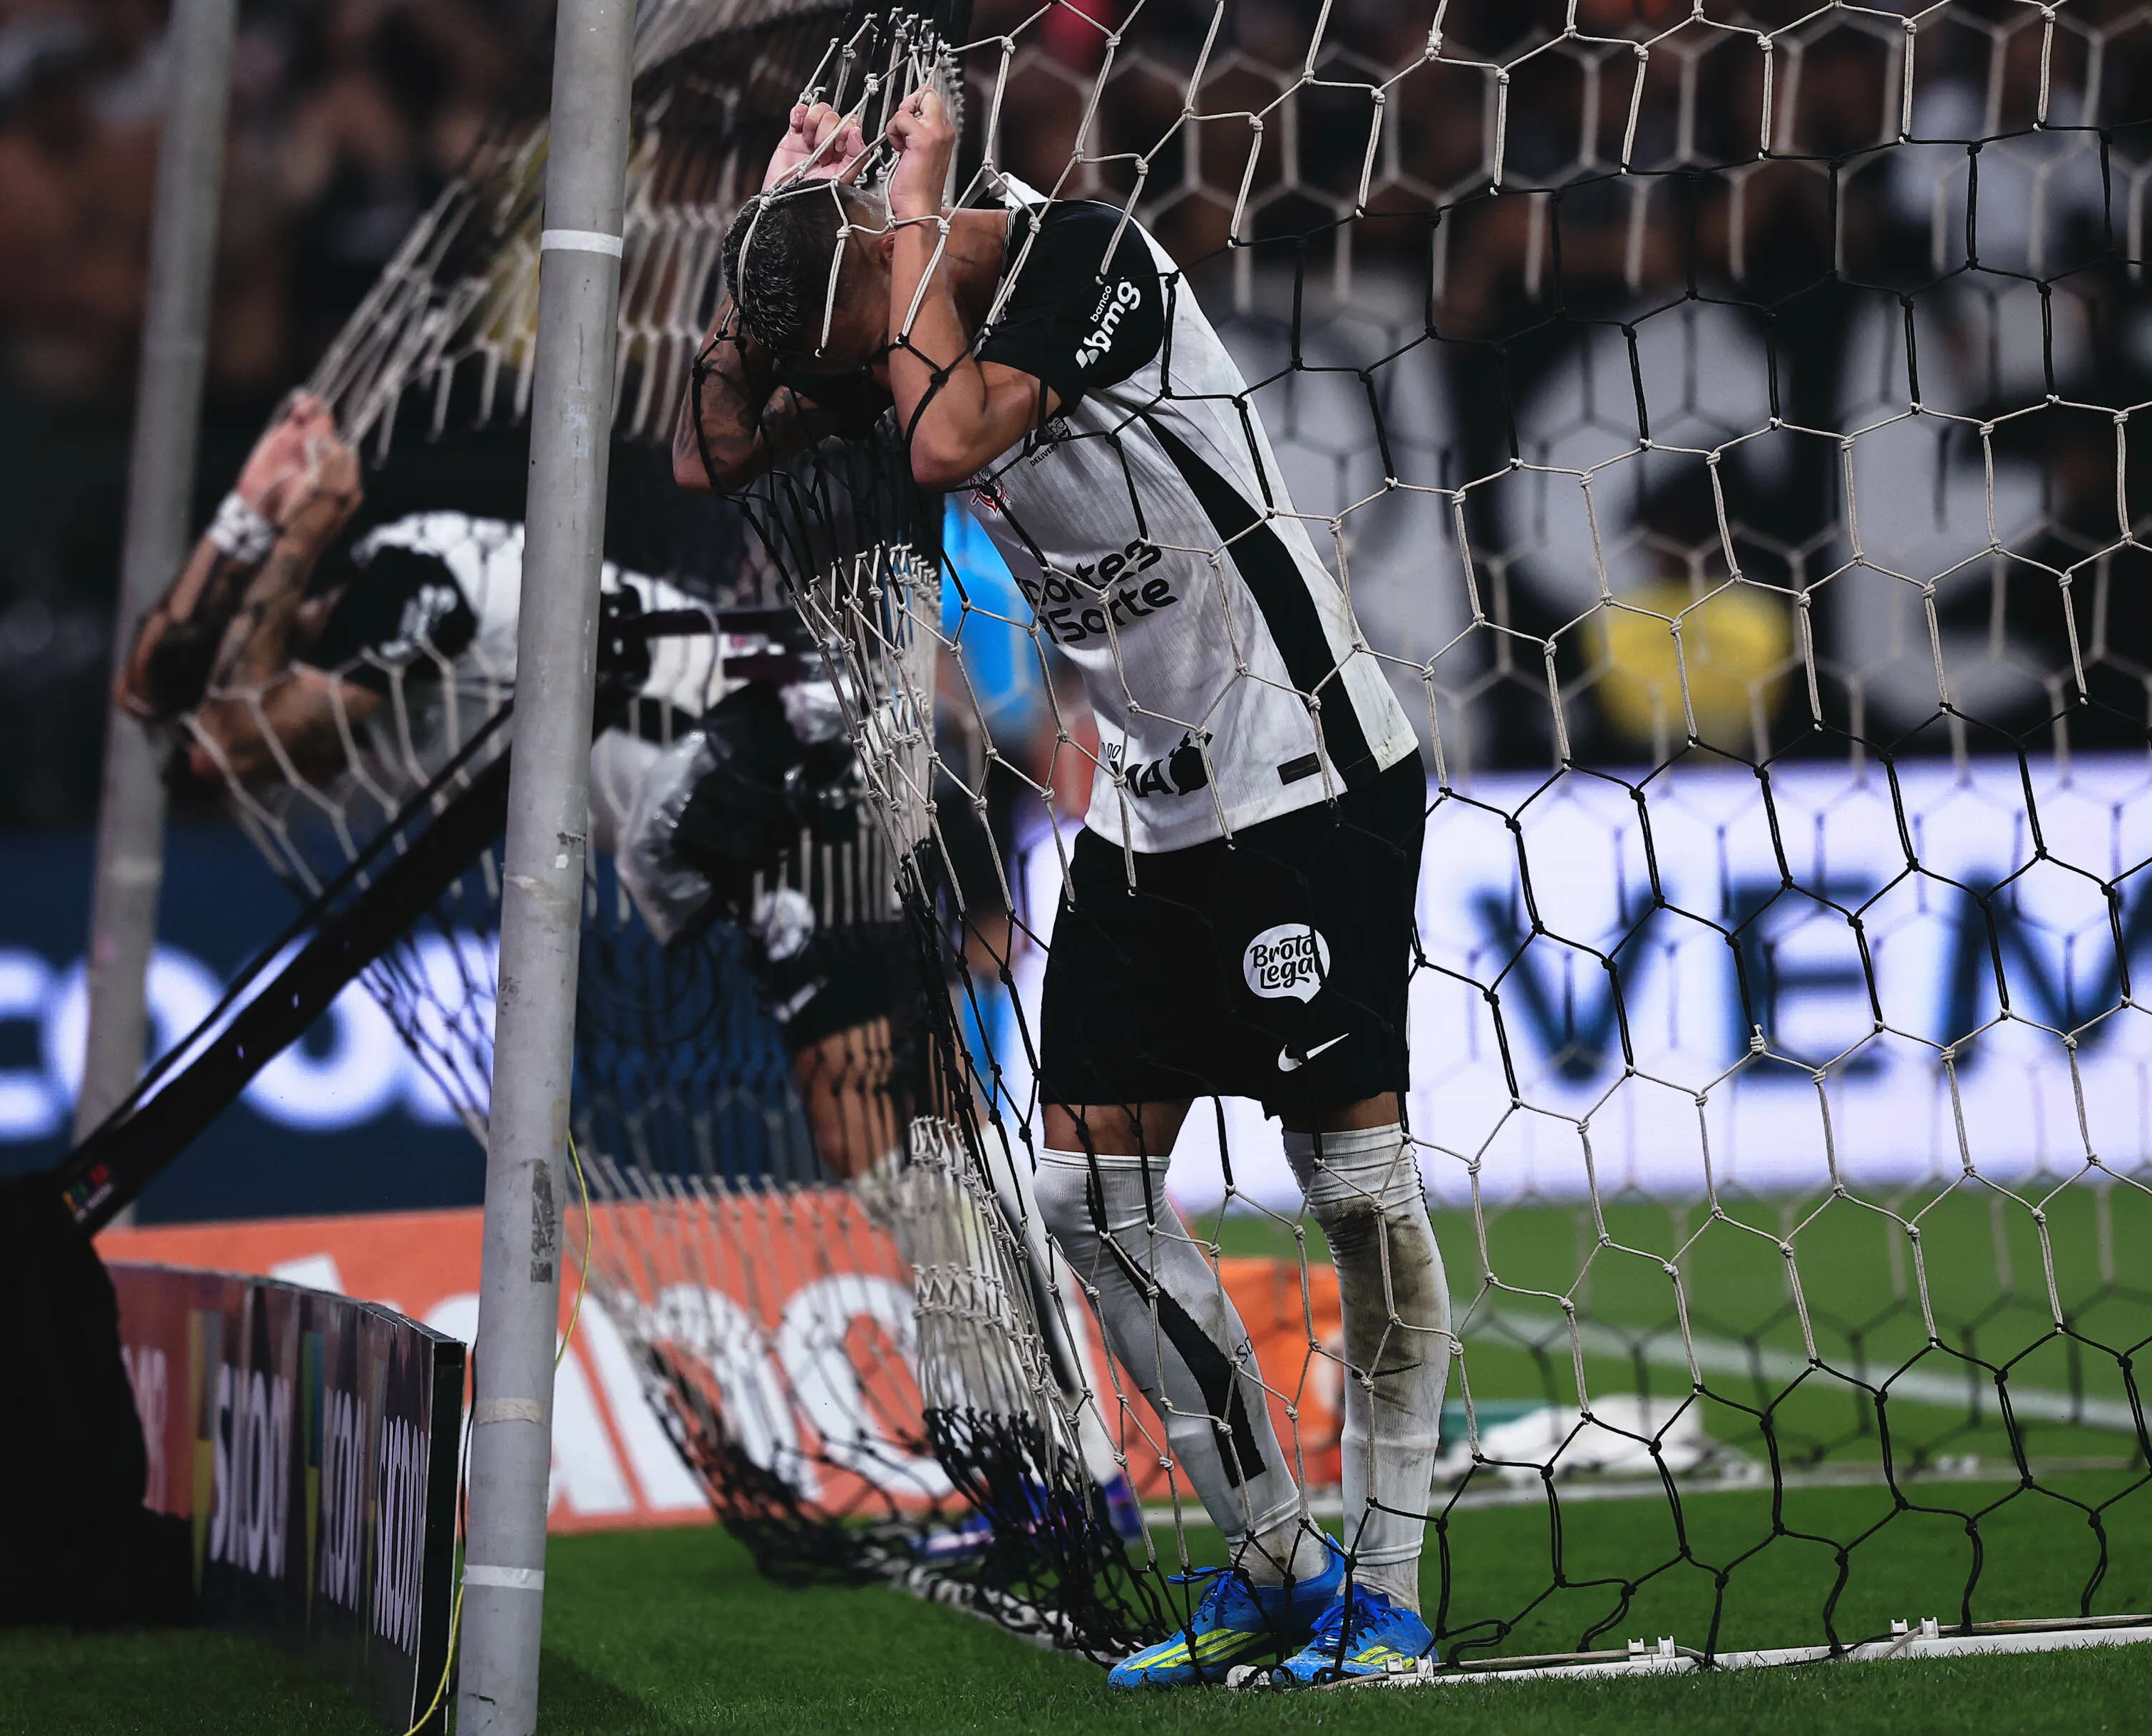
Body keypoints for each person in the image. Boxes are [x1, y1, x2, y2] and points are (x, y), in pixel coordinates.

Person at [679, 89, 1453, 1687]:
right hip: (1144, 822)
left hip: (1303, 776)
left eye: (847, 348)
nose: (859, 402)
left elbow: (948, 433)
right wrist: (761, 249)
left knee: (1355, 1196)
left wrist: (894, 220)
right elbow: (711, 448)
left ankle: (1387, 1580)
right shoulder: (896, 315)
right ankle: (1273, 1559)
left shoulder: (1080, 255)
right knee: (1082, 1204)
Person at [115, 394, 924, 1181]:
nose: (219, 686)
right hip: (776, 773)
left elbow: (233, 744)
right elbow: (150, 695)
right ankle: (999, 1282)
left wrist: (293, 529)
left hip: (806, 764)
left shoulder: (404, 580)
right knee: (918, 1123)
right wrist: (249, 512)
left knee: (872, 1138)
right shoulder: (369, 643)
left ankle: (994, 1298)